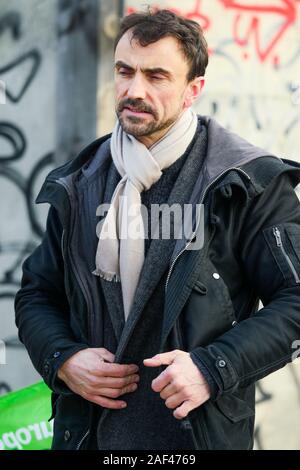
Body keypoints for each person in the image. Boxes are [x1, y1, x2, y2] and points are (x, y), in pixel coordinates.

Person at [15, 9, 300, 450]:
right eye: (125, 71)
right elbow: (37, 292)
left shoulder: (245, 182)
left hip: (196, 438)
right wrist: (63, 358)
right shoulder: (81, 182)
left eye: (157, 76)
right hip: (90, 436)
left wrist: (214, 367)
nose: (134, 90)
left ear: (193, 90)